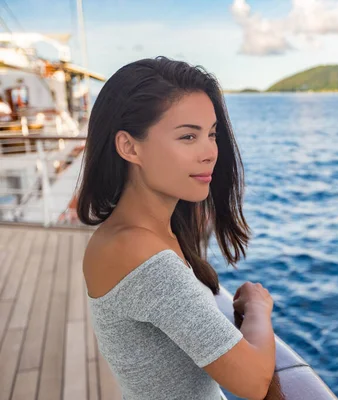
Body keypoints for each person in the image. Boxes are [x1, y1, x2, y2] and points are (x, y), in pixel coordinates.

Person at [77, 57, 275, 400]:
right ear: (129, 146)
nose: (210, 152)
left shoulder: (142, 233)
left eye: (212, 134)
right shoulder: (138, 255)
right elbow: (254, 383)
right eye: (188, 136)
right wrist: (258, 306)